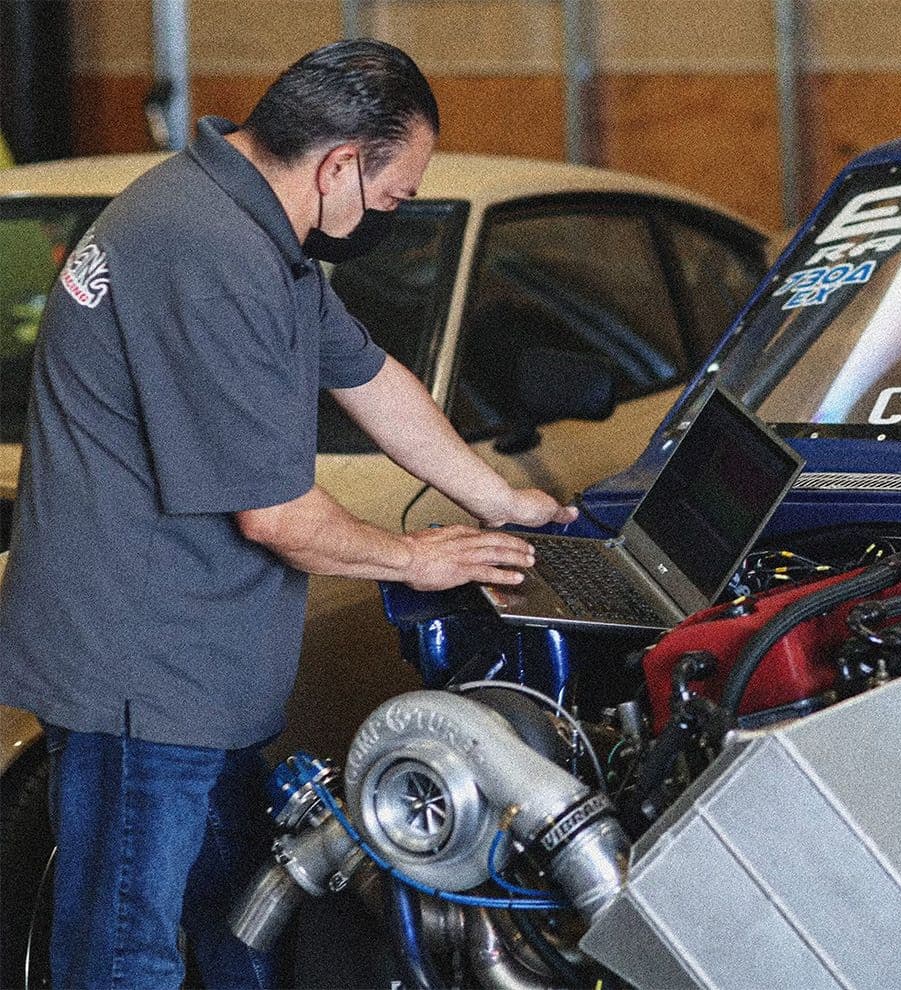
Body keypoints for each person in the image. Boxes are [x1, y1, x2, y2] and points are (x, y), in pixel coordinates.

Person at [0, 40, 575, 988]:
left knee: (239, 925)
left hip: (194, 671)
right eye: (393, 197)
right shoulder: (210, 251)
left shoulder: (238, 219)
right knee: (122, 953)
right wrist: (415, 558)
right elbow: (273, 515)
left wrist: (501, 500)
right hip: (145, 673)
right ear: (340, 163)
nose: (389, 216)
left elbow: (370, 377)